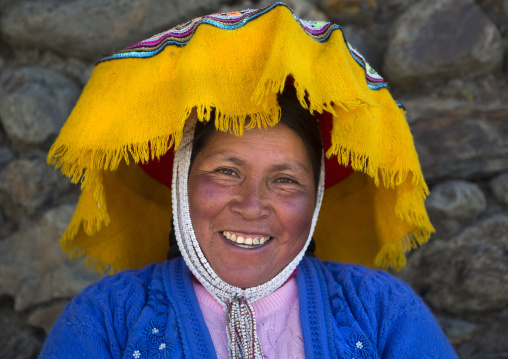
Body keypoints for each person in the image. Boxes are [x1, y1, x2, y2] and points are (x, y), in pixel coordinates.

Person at [39, 3, 458, 358]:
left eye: (285, 180)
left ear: (316, 198)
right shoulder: (105, 319)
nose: (252, 204)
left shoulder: (383, 312)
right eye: (226, 171)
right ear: (181, 182)